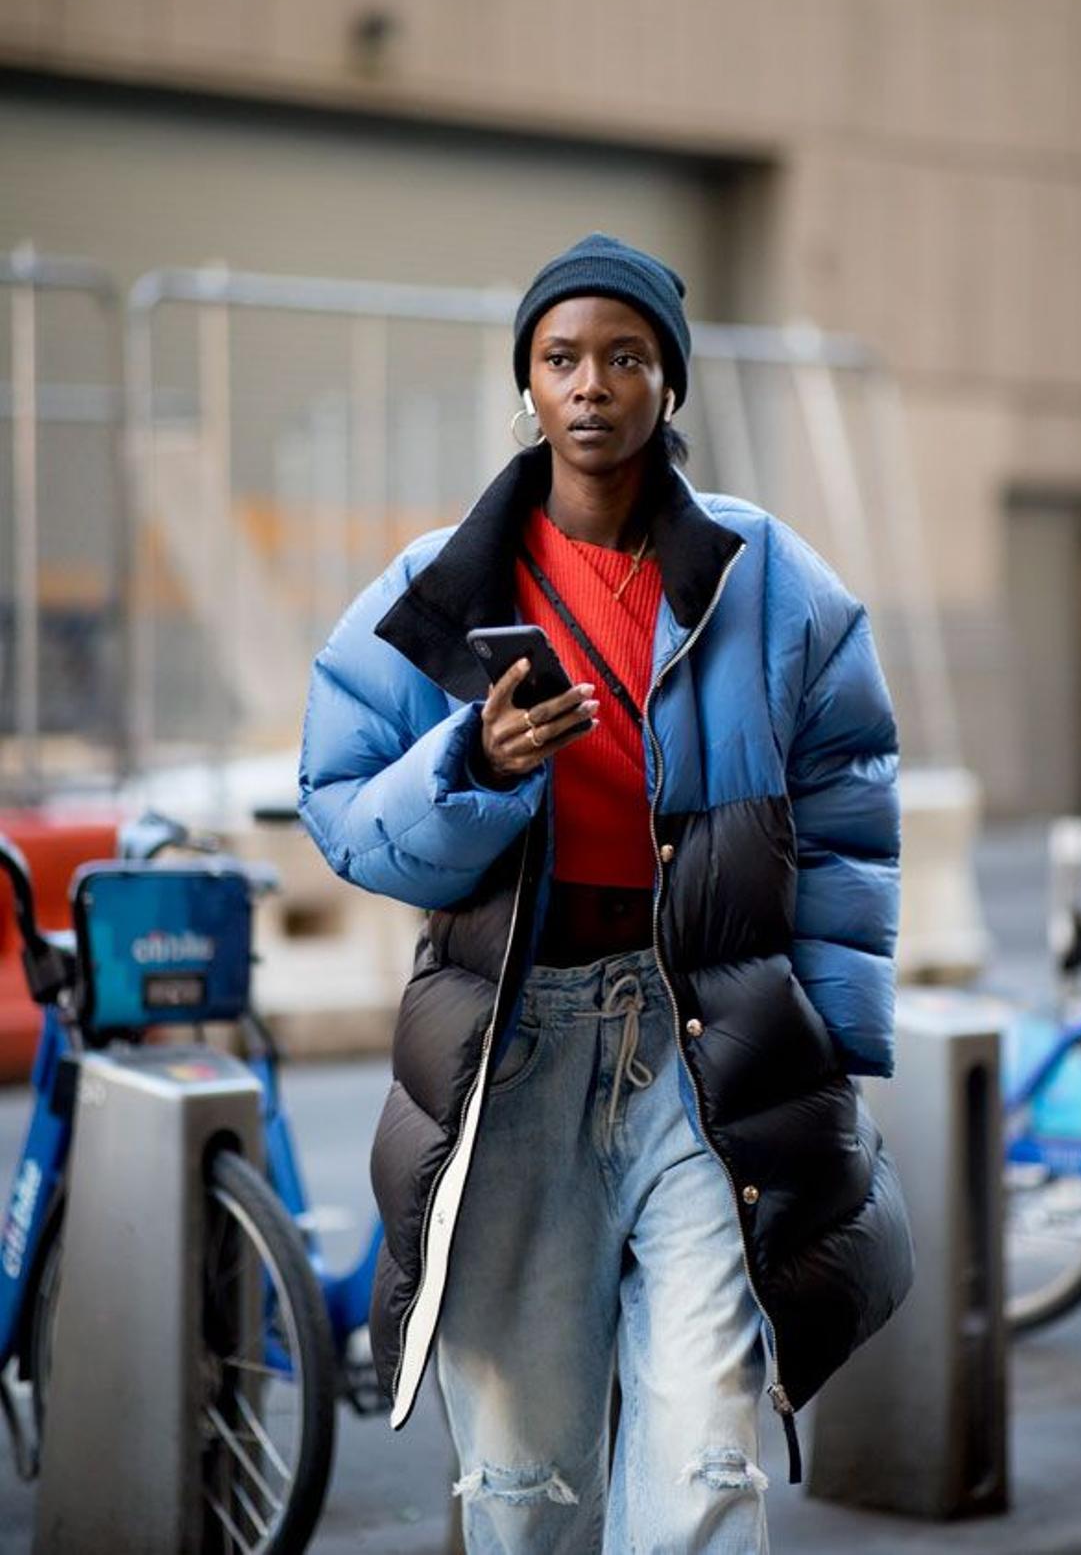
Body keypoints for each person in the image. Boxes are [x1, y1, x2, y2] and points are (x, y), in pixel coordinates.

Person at [299, 233, 913, 1554]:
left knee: (704, 1462)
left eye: (624, 357)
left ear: (671, 385)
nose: (592, 384)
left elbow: (852, 796)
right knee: (526, 1487)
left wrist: (835, 1034)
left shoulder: (769, 577)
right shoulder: (437, 587)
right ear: (527, 383)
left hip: (701, 1049)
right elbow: (345, 812)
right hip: (511, 1053)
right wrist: (469, 767)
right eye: (562, 357)